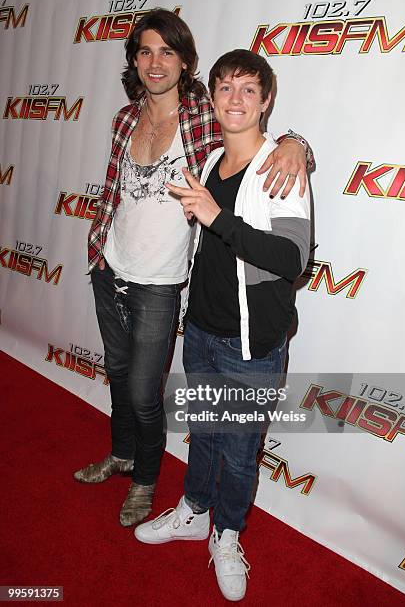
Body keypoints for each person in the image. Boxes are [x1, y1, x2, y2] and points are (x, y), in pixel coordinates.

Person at [74, 8, 314, 529]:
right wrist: (98, 252)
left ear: (185, 62)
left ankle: (148, 481)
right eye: (145, 51)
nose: (155, 62)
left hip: (162, 283)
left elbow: (246, 126)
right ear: (134, 60)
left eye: (167, 51)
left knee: (144, 391)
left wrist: (297, 144)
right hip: (110, 266)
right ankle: (123, 455)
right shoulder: (124, 118)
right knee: (118, 376)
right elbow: (117, 191)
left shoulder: (202, 114)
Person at [134, 48, 311, 602]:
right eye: (225, 88)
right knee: (206, 436)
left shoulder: (282, 168)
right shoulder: (209, 159)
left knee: (238, 449)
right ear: (212, 98)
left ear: (265, 102)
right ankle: (192, 511)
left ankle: (227, 533)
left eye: (248, 90)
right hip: (203, 331)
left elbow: (293, 260)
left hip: (251, 343)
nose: (235, 99)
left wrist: (220, 217)